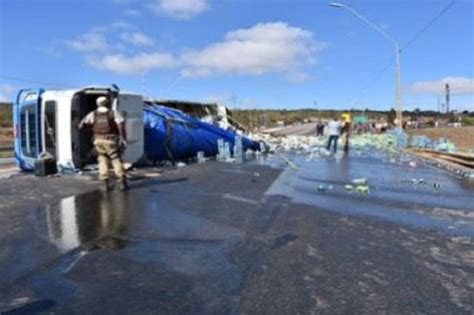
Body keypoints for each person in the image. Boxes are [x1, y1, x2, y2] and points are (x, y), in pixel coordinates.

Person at [78, 96, 129, 191]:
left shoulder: (93, 114)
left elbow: (81, 126)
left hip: (98, 140)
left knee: (102, 159)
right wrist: (123, 138)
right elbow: (120, 125)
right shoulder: (113, 113)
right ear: (107, 103)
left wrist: (90, 130)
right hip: (111, 140)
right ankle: (122, 181)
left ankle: (105, 183)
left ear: (98, 104)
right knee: (115, 159)